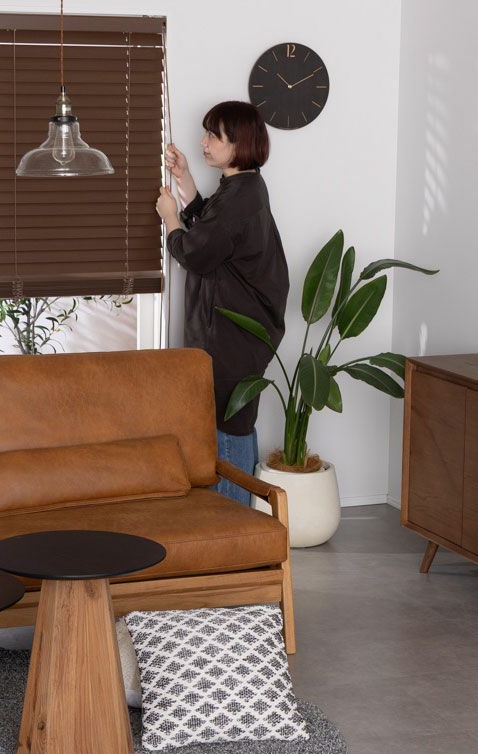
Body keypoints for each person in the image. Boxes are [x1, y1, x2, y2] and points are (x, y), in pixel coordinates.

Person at [155, 100, 289, 506]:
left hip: (233, 337)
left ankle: (234, 521)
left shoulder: (240, 198)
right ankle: (239, 520)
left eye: (215, 136)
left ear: (240, 143)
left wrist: (170, 219)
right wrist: (185, 180)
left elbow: (197, 252)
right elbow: (215, 232)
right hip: (238, 335)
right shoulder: (243, 187)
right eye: (206, 134)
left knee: (229, 426)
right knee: (233, 420)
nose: (204, 142)